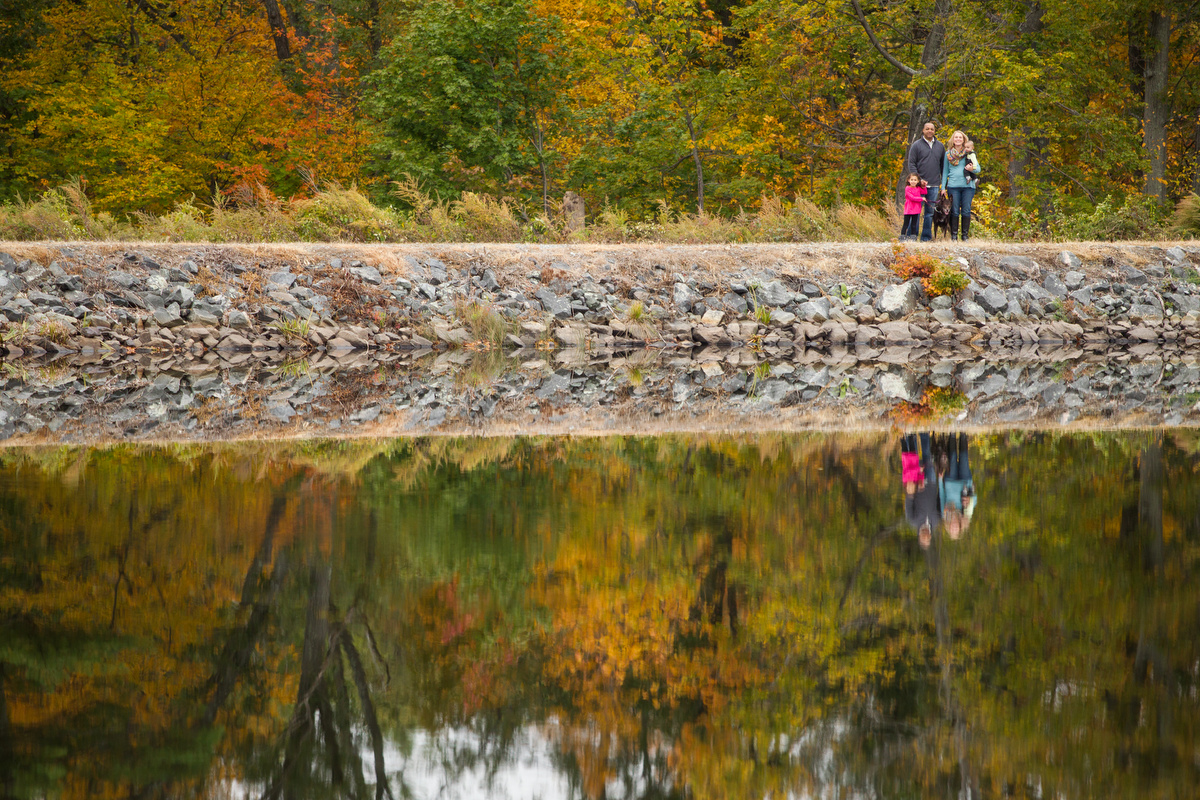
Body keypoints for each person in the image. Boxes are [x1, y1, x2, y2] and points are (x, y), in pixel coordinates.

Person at [904, 121, 945, 242]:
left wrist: (943, 183)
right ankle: (912, 236)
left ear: (934, 131)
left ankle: (926, 238)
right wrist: (919, 180)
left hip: (934, 185)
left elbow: (943, 166)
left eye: (932, 129)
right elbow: (911, 164)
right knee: (915, 212)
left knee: (929, 214)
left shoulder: (940, 146)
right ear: (923, 130)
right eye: (927, 129)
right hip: (918, 187)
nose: (929, 131)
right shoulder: (916, 145)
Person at [941, 131, 981, 241]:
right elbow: (945, 171)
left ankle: (965, 236)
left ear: (963, 140)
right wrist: (943, 187)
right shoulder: (948, 154)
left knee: (966, 210)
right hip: (953, 185)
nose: (958, 139)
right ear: (953, 140)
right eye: (956, 137)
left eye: (960, 137)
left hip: (968, 186)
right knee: (954, 210)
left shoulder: (969, 153)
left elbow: (978, 169)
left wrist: (971, 168)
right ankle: (954, 236)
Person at [903, 432, 940, 549]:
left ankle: (911, 435)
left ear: (919, 536)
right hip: (932, 482)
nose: (925, 535)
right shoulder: (937, 521)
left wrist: (914, 488)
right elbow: (940, 500)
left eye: (923, 537)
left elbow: (909, 501)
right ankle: (924, 433)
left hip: (917, 483)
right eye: (927, 538)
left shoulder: (912, 521)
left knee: (914, 459)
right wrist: (939, 482)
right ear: (930, 536)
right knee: (927, 455)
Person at [938, 432, 976, 539]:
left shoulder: (944, 514)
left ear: (949, 527)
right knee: (964, 457)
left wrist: (940, 480)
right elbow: (975, 499)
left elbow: (942, 496)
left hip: (950, 481)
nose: (954, 527)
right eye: (956, 529)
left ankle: (952, 434)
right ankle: (963, 434)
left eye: (952, 529)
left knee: (952, 457)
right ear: (960, 527)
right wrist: (969, 499)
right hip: (965, 482)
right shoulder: (965, 515)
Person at [900, 173, 927, 241]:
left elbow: (924, 192)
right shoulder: (907, 188)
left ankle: (913, 237)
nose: (913, 181)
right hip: (909, 209)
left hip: (916, 209)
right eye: (912, 179)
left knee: (914, 224)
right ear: (908, 180)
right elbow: (912, 198)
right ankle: (903, 236)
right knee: (906, 223)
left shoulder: (918, 188)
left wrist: (924, 186)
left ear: (918, 181)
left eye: (915, 180)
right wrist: (921, 199)